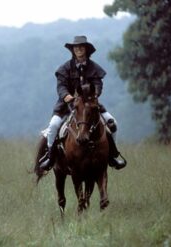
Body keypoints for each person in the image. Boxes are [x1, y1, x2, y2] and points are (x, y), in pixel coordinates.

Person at [39, 35, 126, 171]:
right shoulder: (64, 68)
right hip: (66, 106)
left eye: (81, 47)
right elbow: (61, 86)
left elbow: (98, 84)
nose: (78, 49)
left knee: (112, 123)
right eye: (76, 47)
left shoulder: (95, 68)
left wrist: (95, 94)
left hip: (89, 106)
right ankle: (50, 156)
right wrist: (66, 95)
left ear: (86, 49)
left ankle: (113, 155)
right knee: (53, 125)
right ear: (73, 50)